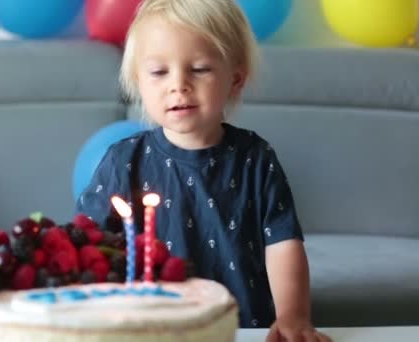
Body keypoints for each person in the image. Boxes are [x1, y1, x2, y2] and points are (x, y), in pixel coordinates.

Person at [76, 0, 331, 341]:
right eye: (159, 72)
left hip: (243, 329)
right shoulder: (123, 161)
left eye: (199, 68)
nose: (178, 84)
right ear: (139, 82)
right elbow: (86, 248)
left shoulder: (255, 158)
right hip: (149, 329)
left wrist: (293, 316)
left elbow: (283, 243)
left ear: (235, 79)